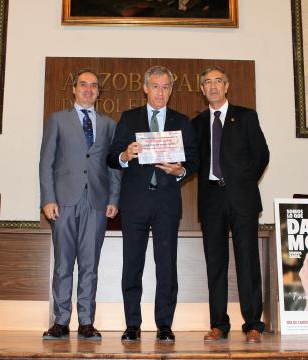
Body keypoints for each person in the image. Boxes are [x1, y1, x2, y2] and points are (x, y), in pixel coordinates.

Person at [107, 65, 198, 343]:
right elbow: (111, 158)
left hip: (167, 203)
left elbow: (193, 159)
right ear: (145, 88)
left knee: (166, 266)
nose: (161, 92)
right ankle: (132, 324)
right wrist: (125, 153)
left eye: (166, 87)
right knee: (132, 264)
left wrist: (179, 171)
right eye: (156, 86)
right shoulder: (129, 118)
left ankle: (164, 325)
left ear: (171, 90)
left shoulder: (182, 121)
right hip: (135, 203)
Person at [39, 68, 121, 341]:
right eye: (83, 85)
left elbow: (113, 168)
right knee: (63, 264)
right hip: (63, 202)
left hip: (96, 203)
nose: (88, 89)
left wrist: (113, 199)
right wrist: (48, 198)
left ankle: (86, 321)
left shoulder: (109, 124)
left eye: (94, 86)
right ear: (73, 89)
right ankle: (61, 321)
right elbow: (46, 162)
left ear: (98, 92)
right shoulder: (58, 120)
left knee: (90, 265)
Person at [192, 66, 269, 343]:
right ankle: (218, 324)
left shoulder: (246, 117)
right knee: (216, 263)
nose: (212, 86)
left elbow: (261, 155)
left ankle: (252, 324)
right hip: (211, 199)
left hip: (242, 199)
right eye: (207, 82)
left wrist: (243, 183)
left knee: (247, 260)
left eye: (218, 81)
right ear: (202, 90)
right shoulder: (198, 122)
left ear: (227, 86)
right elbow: (192, 161)